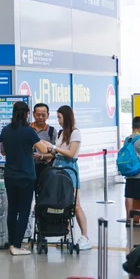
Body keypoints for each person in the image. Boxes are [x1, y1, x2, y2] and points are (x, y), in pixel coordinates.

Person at [0, 101, 50, 256]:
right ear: (27, 114)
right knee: (24, 211)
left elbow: (3, 152)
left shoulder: (6, 130)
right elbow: (43, 149)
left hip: (9, 175)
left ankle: (11, 243)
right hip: (26, 176)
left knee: (12, 210)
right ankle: (17, 245)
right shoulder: (29, 131)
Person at [47, 105, 91, 251]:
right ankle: (67, 234)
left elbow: (71, 153)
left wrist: (54, 148)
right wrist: (45, 154)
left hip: (69, 169)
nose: (58, 120)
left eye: (59, 117)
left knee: (75, 204)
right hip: (58, 168)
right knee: (63, 203)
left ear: (66, 117)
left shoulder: (75, 133)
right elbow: (58, 152)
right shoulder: (62, 133)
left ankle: (85, 236)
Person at [31, 103, 58, 185]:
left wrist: (42, 156)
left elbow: (54, 153)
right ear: (33, 114)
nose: (40, 117)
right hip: (28, 167)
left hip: (45, 168)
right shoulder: (27, 129)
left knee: (43, 194)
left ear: (48, 115)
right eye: (38, 115)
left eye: (43, 115)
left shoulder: (52, 131)